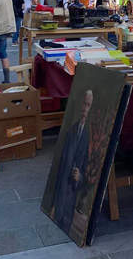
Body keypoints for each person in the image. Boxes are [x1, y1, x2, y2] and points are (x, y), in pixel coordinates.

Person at [50, 89, 92, 234]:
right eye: (84, 104)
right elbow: (60, 166)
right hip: (61, 192)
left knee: (65, 225)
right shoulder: (72, 131)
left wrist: (79, 177)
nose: (85, 109)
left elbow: (89, 169)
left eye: (88, 106)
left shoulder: (90, 136)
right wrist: (53, 204)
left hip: (72, 196)